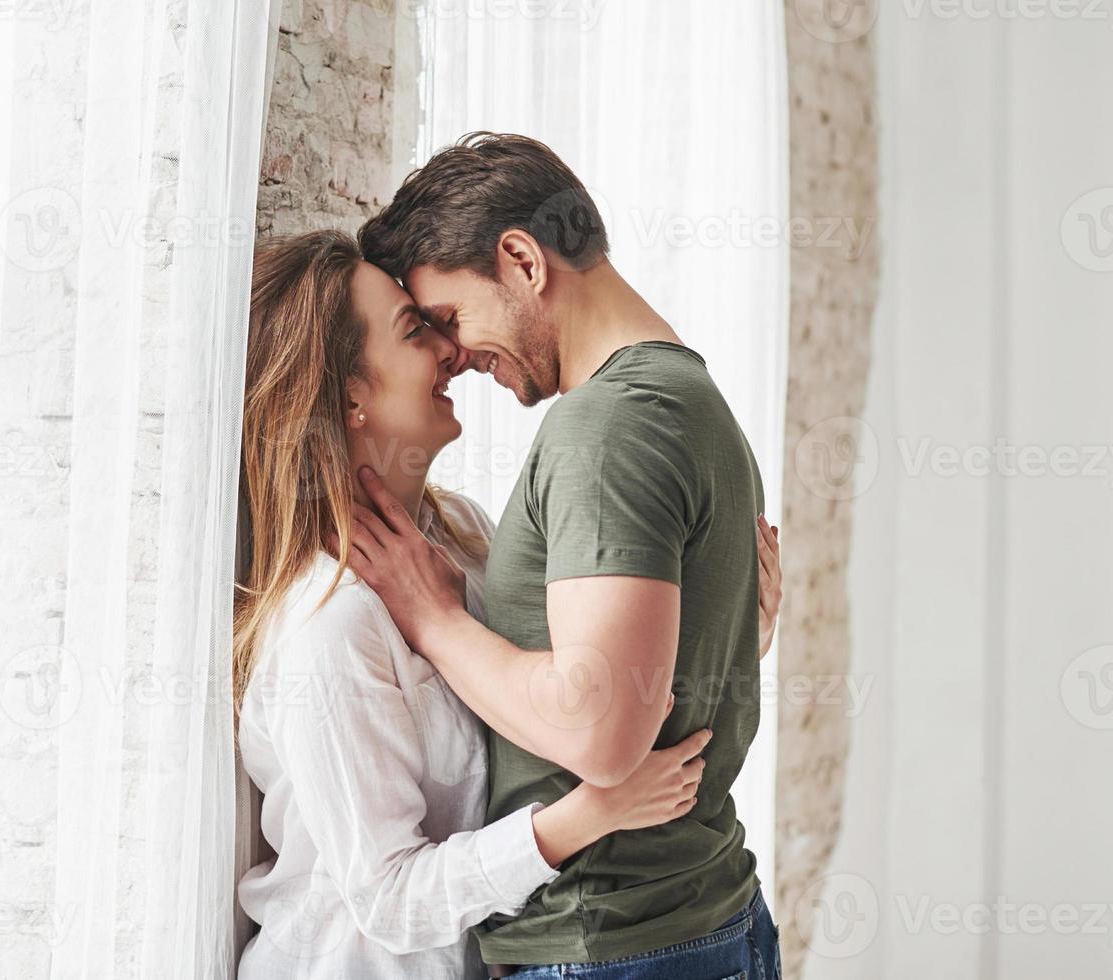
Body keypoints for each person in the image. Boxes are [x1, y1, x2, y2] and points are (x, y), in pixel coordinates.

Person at [232, 231, 773, 979]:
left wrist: (736, 624)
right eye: (415, 330)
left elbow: (568, 701)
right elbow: (389, 900)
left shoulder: (467, 542)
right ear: (352, 395)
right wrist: (589, 815)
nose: (451, 351)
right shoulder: (330, 627)